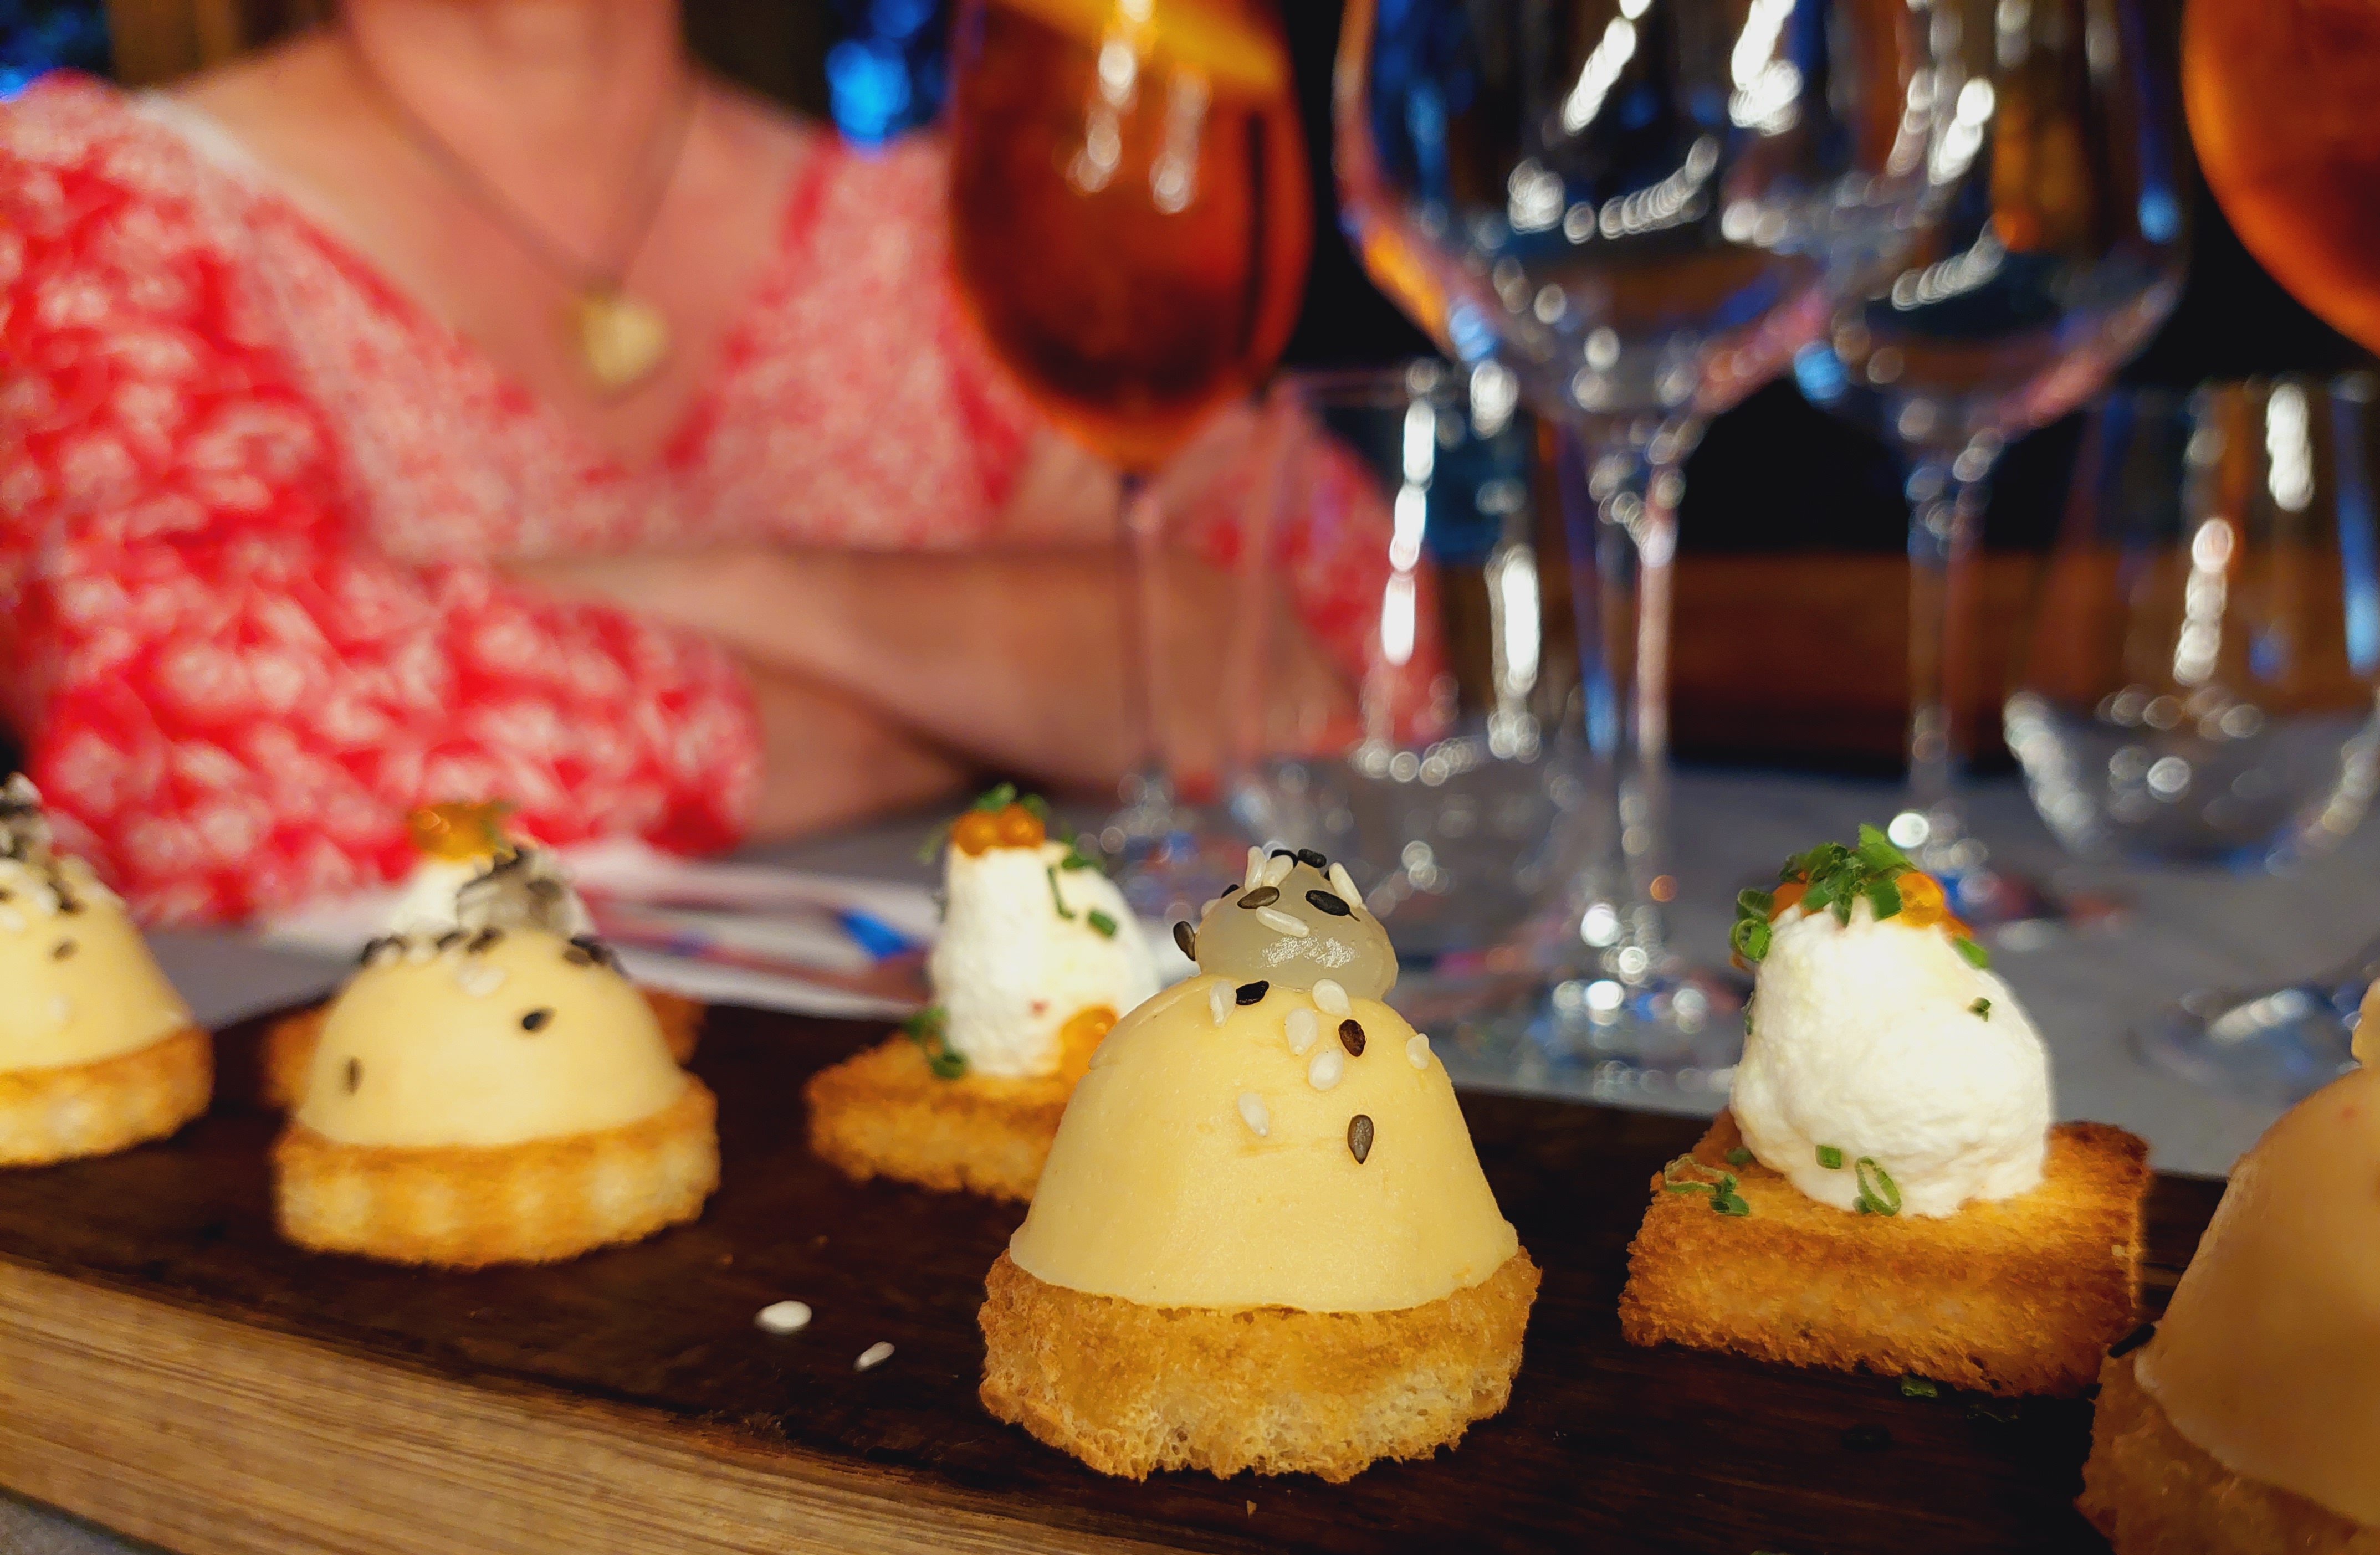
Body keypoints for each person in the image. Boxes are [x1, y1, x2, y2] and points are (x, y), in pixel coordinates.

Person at [0, 0, 1368, 922]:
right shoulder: (91, 203)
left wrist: (735, 585)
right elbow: (175, 743)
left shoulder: (951, 234)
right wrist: (983, 701)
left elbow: (1336, 664)